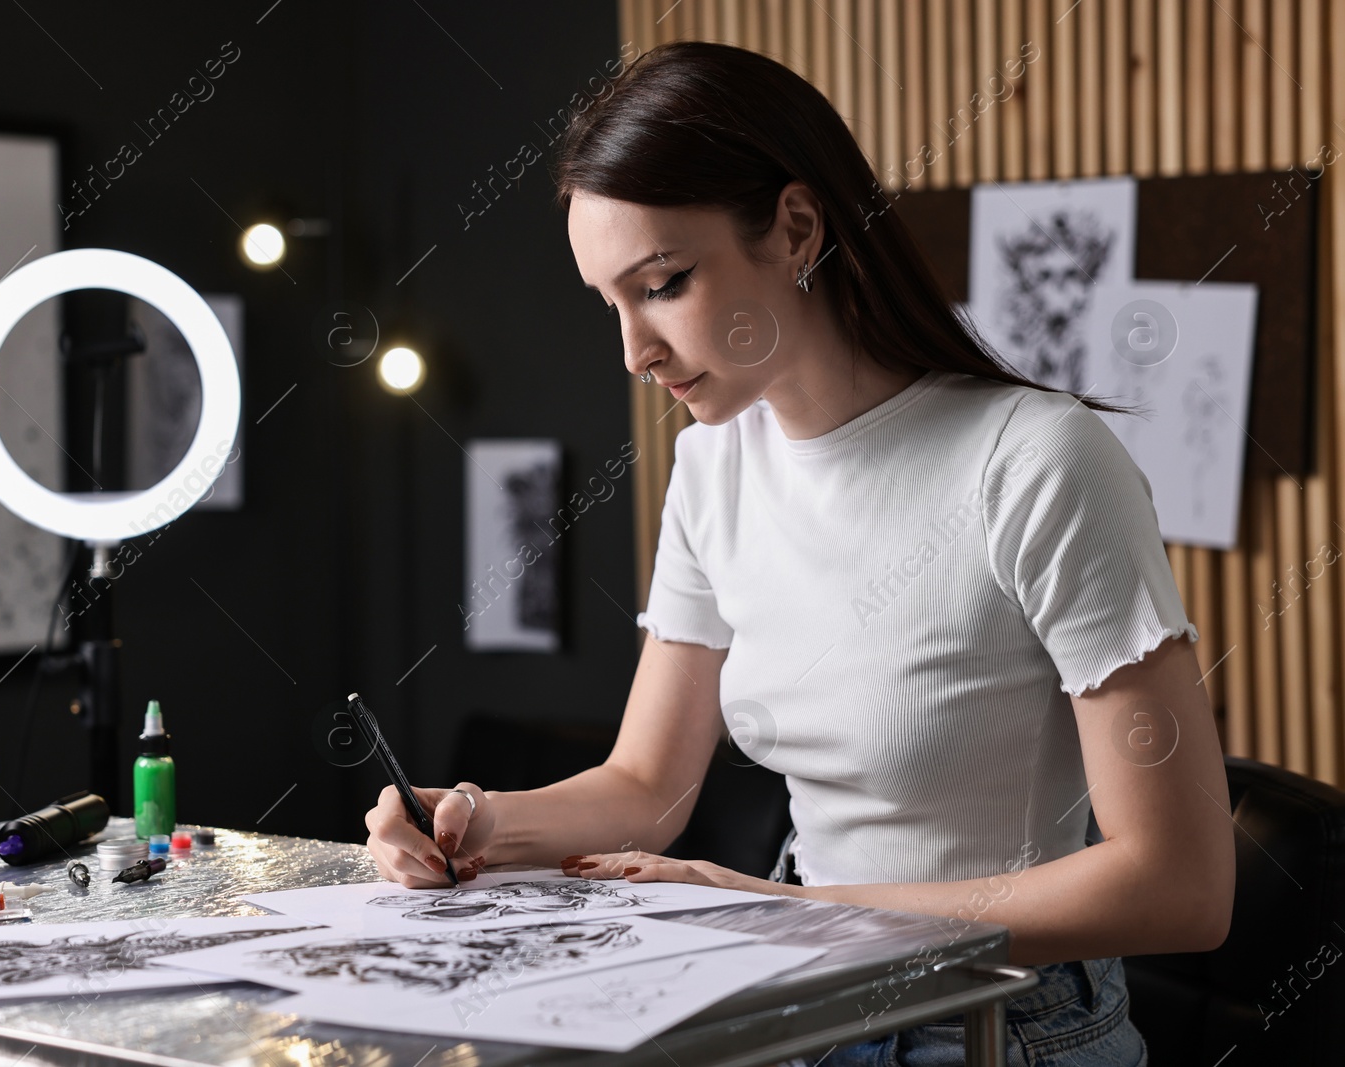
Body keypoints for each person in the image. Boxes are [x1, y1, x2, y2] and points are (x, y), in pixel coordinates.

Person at [364, 40, 1233, 1065]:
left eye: (665, 283)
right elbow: (646, 782)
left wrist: (790, 910)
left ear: (796, 227)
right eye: (612, 303)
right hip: (809, 996)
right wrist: (468, 817)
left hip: (999, 1019)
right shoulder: (712, 467)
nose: (634, 351)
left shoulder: (1037, 461)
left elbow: (1178, 884)